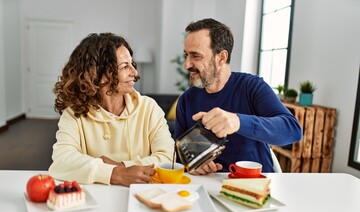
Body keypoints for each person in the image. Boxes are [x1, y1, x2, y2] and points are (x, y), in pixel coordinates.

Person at [174, 18, 302, 175]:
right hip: (206, 186)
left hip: (254, 185)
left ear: (221, 57)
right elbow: (179, 155)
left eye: (195, 56)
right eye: (186, 55)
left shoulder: (252, 87)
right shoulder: (187, 100)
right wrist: (191, 165)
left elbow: (292, 130)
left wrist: (238, 121)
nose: (186, 64)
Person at [49, 33, 174, 186]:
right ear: (98, 75)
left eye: (132, 64)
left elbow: (168, 158)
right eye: (125, 67)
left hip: (143, 197)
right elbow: (62, 160)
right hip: (95, 199)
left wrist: (120, 168)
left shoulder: (149, 108)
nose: (135, 73)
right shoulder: (74, 114)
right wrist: (115, 174)